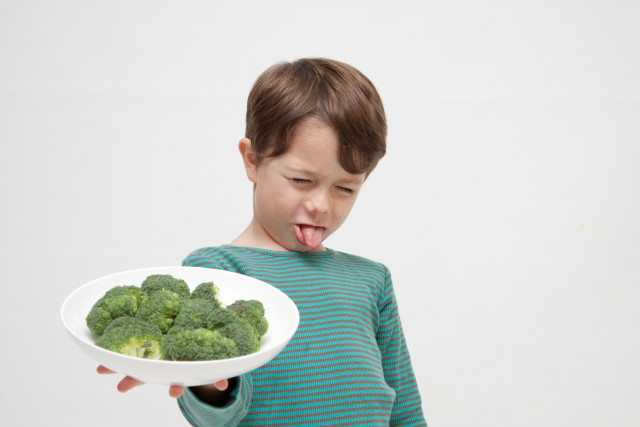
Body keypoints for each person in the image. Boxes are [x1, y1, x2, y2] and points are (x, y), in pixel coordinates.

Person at [99, 57, 427, 426]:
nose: (320, 205)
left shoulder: (371, 279)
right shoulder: (217, 269)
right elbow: (213, 415)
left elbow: (406, 412)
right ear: (253, 159)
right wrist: (207, 383)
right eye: (302, 181)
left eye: (345, 188)